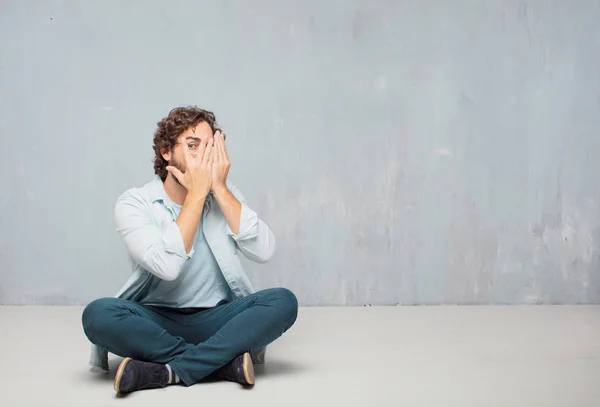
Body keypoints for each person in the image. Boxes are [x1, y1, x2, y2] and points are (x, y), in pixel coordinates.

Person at [82, 106, 298, 394]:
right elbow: (168, 268)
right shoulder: (135, 203)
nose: (203, 156)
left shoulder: (225, 194)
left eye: (210, 147)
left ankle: (168, 371)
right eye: (193, 146)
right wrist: (196, 195)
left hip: (218, 320)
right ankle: (220, 364)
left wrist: (218, 188)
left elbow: (265, 250)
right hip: (156, 321)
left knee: (283, 301)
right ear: (166, 152)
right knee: (98, 314)